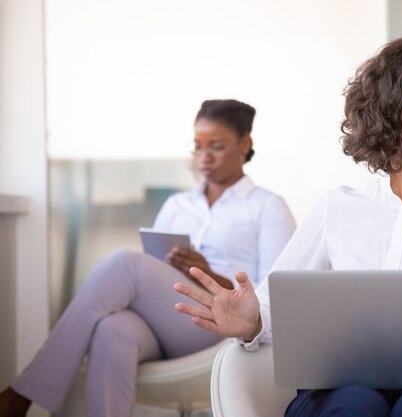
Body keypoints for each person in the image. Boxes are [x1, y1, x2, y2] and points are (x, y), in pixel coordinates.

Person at [173, 36, 402, 417]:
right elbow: (275, 301)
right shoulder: (338, 205)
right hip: (348, 386)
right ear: (390, 110)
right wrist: (252, 320)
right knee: (355, 403)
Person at [0, 99, 297, 417]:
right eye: (197, 146)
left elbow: (273, 297)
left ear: (245, 144)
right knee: (113, 329)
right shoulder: (177, 205)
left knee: (125, 264)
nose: (204, 157)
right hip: (166, 318)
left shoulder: (268, 207)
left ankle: (23, 394)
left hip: (218, 326)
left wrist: (208, 274)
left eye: (217, 146)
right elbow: (148, 271)